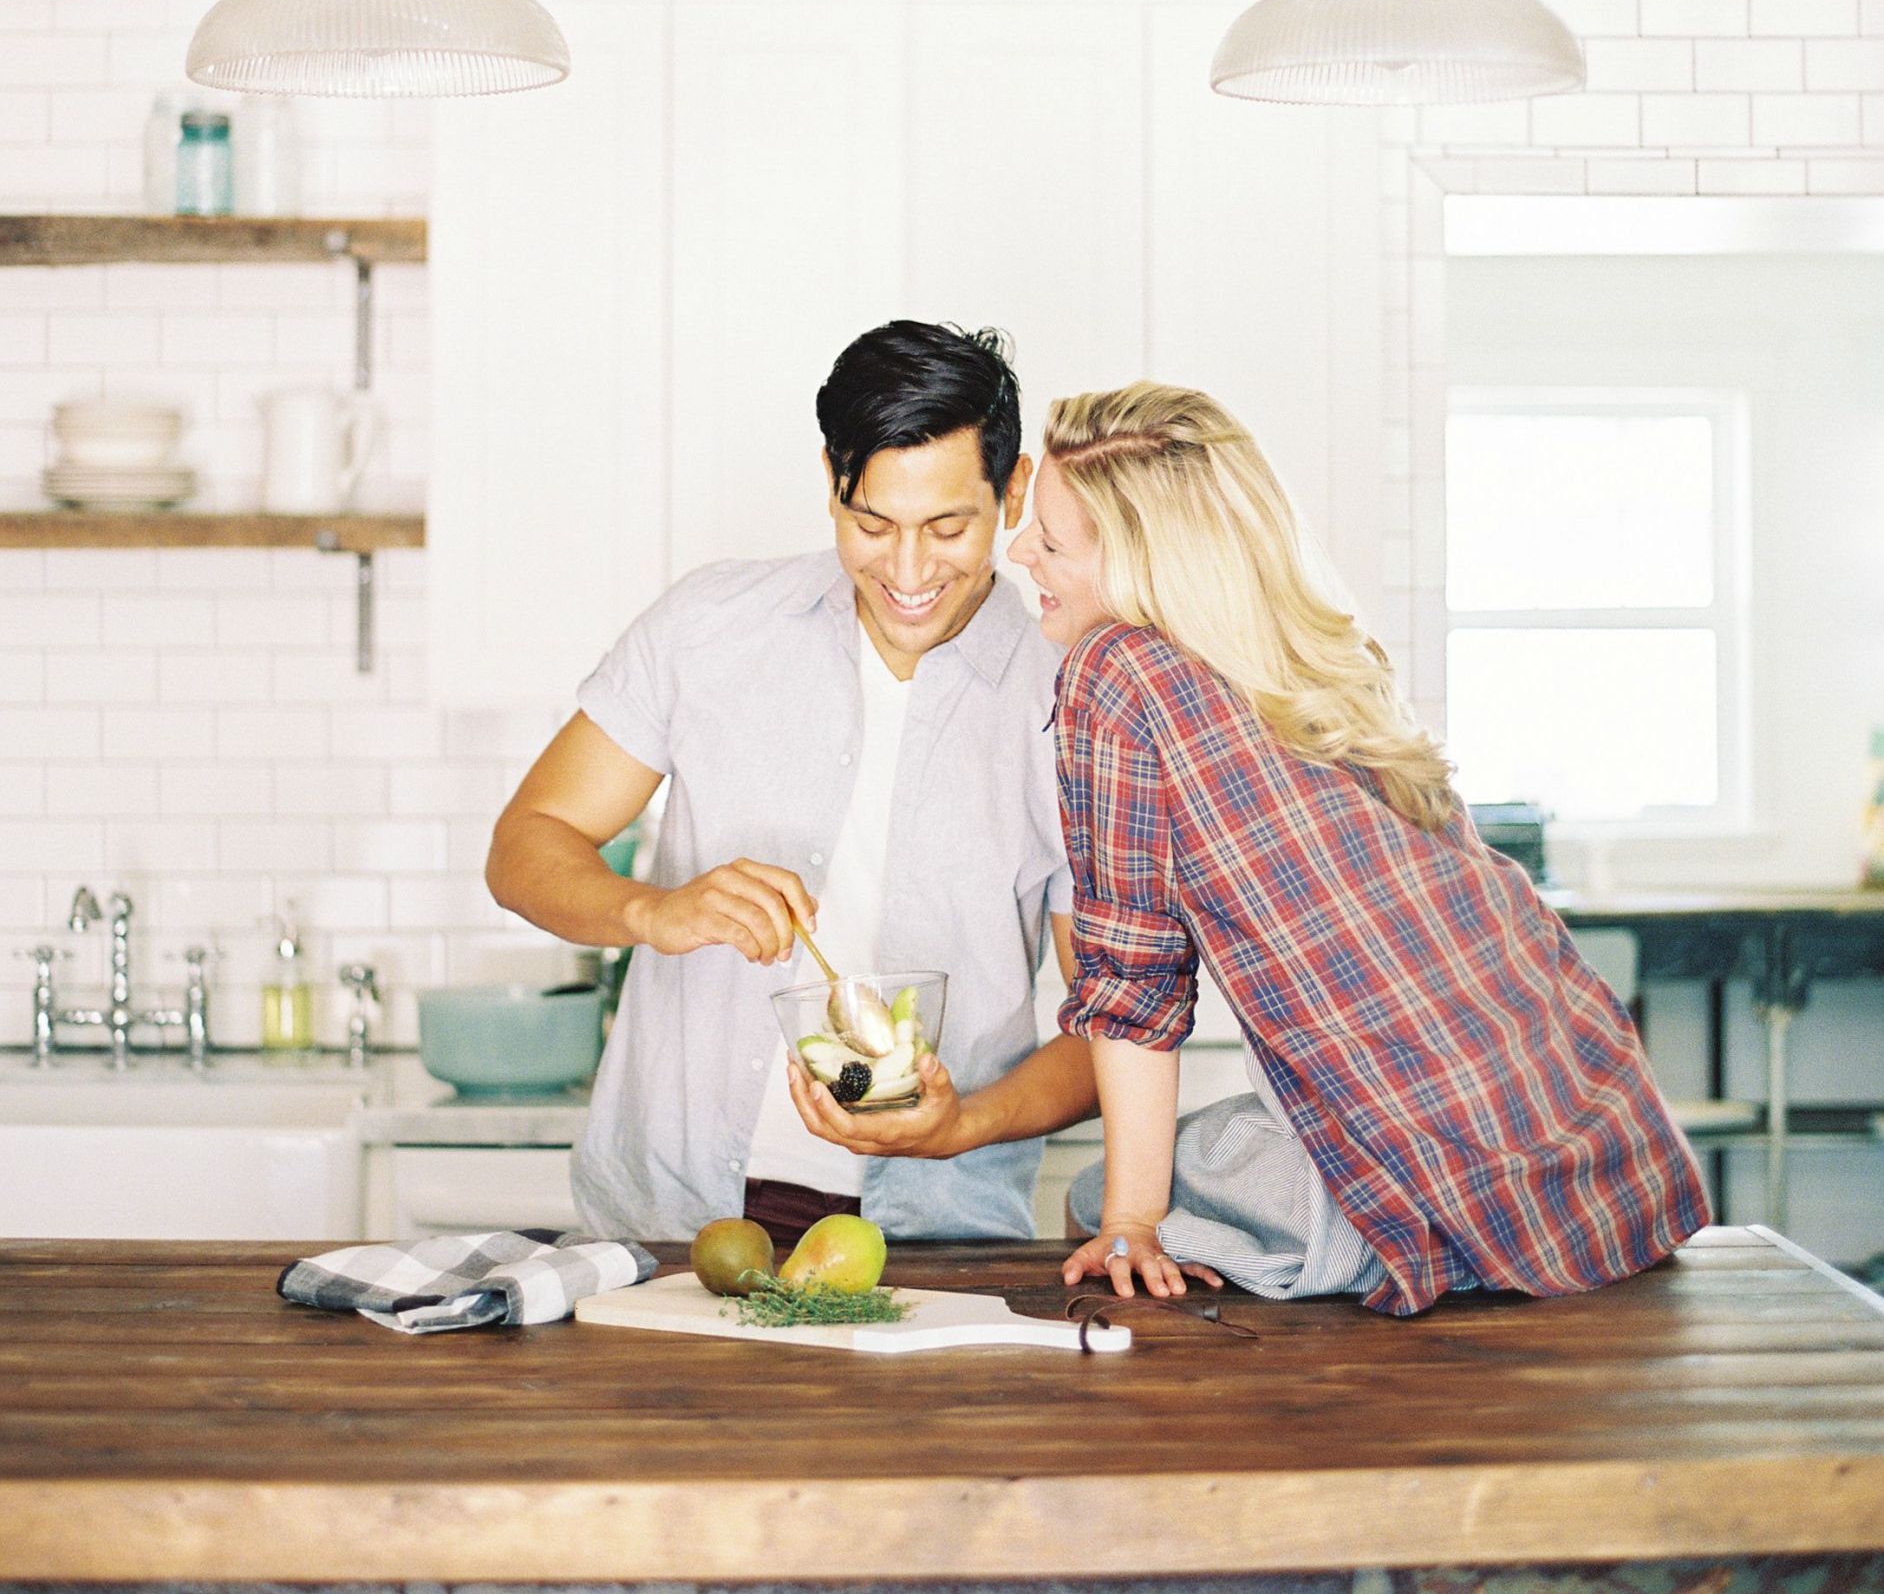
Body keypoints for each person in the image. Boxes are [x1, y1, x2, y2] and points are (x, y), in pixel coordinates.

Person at [1008, 381, 1709, 1316]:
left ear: (1143, 560)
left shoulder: (1115, 671)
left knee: (1101, 1193)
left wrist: (1132, 1220)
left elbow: (1133, 983)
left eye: (1050, 542)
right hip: (1603, 1151)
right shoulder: (1317, 651)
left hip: (1432, 1188)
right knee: (1228, 1138)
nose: (1019, 553)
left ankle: (1369, 1248)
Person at [486, 320, 1094, 1247]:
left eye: (947, 527)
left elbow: (1113, 1031)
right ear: (831, 479)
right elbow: (526, 842)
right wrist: (651, 911)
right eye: (871, 523)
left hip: (936, 1240)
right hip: (666, 1224)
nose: (908, 570)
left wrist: (961, 1125)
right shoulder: (708, 627)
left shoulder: (1078, 707)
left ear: (1012, 494)